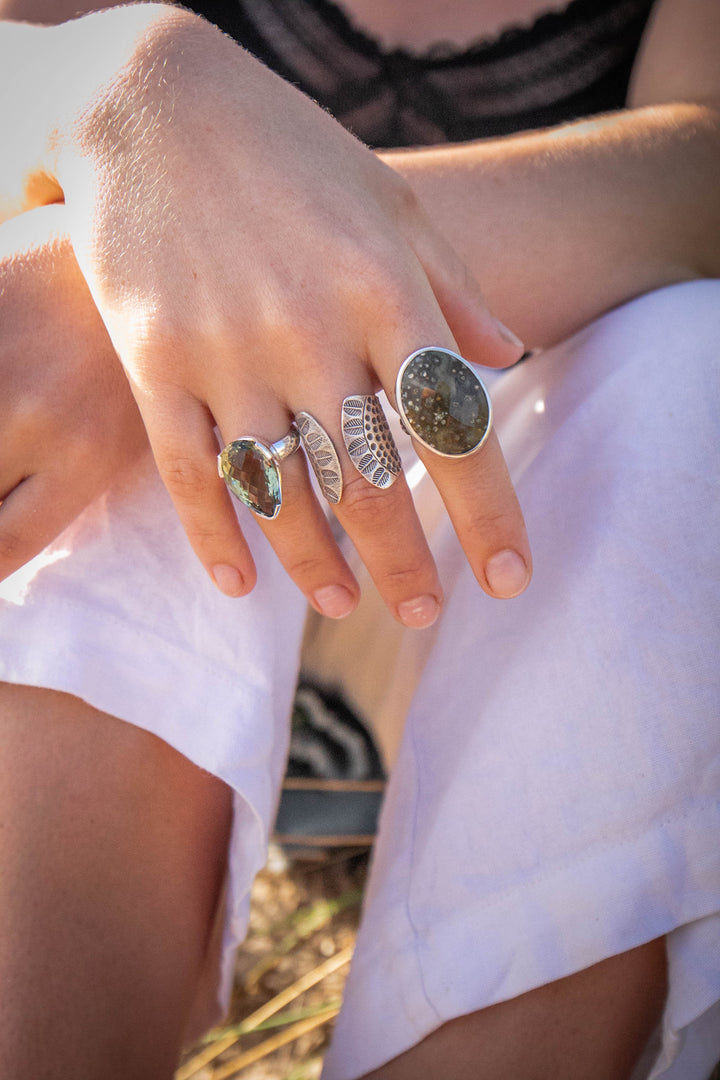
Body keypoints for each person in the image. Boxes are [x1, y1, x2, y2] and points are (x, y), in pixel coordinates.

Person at [0, 0, 717, 1077]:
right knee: (130, 370)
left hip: (539, 556)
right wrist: (110, 81)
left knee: (695, 372)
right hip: (190, 592)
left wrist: (220, 256)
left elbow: (702, 169)